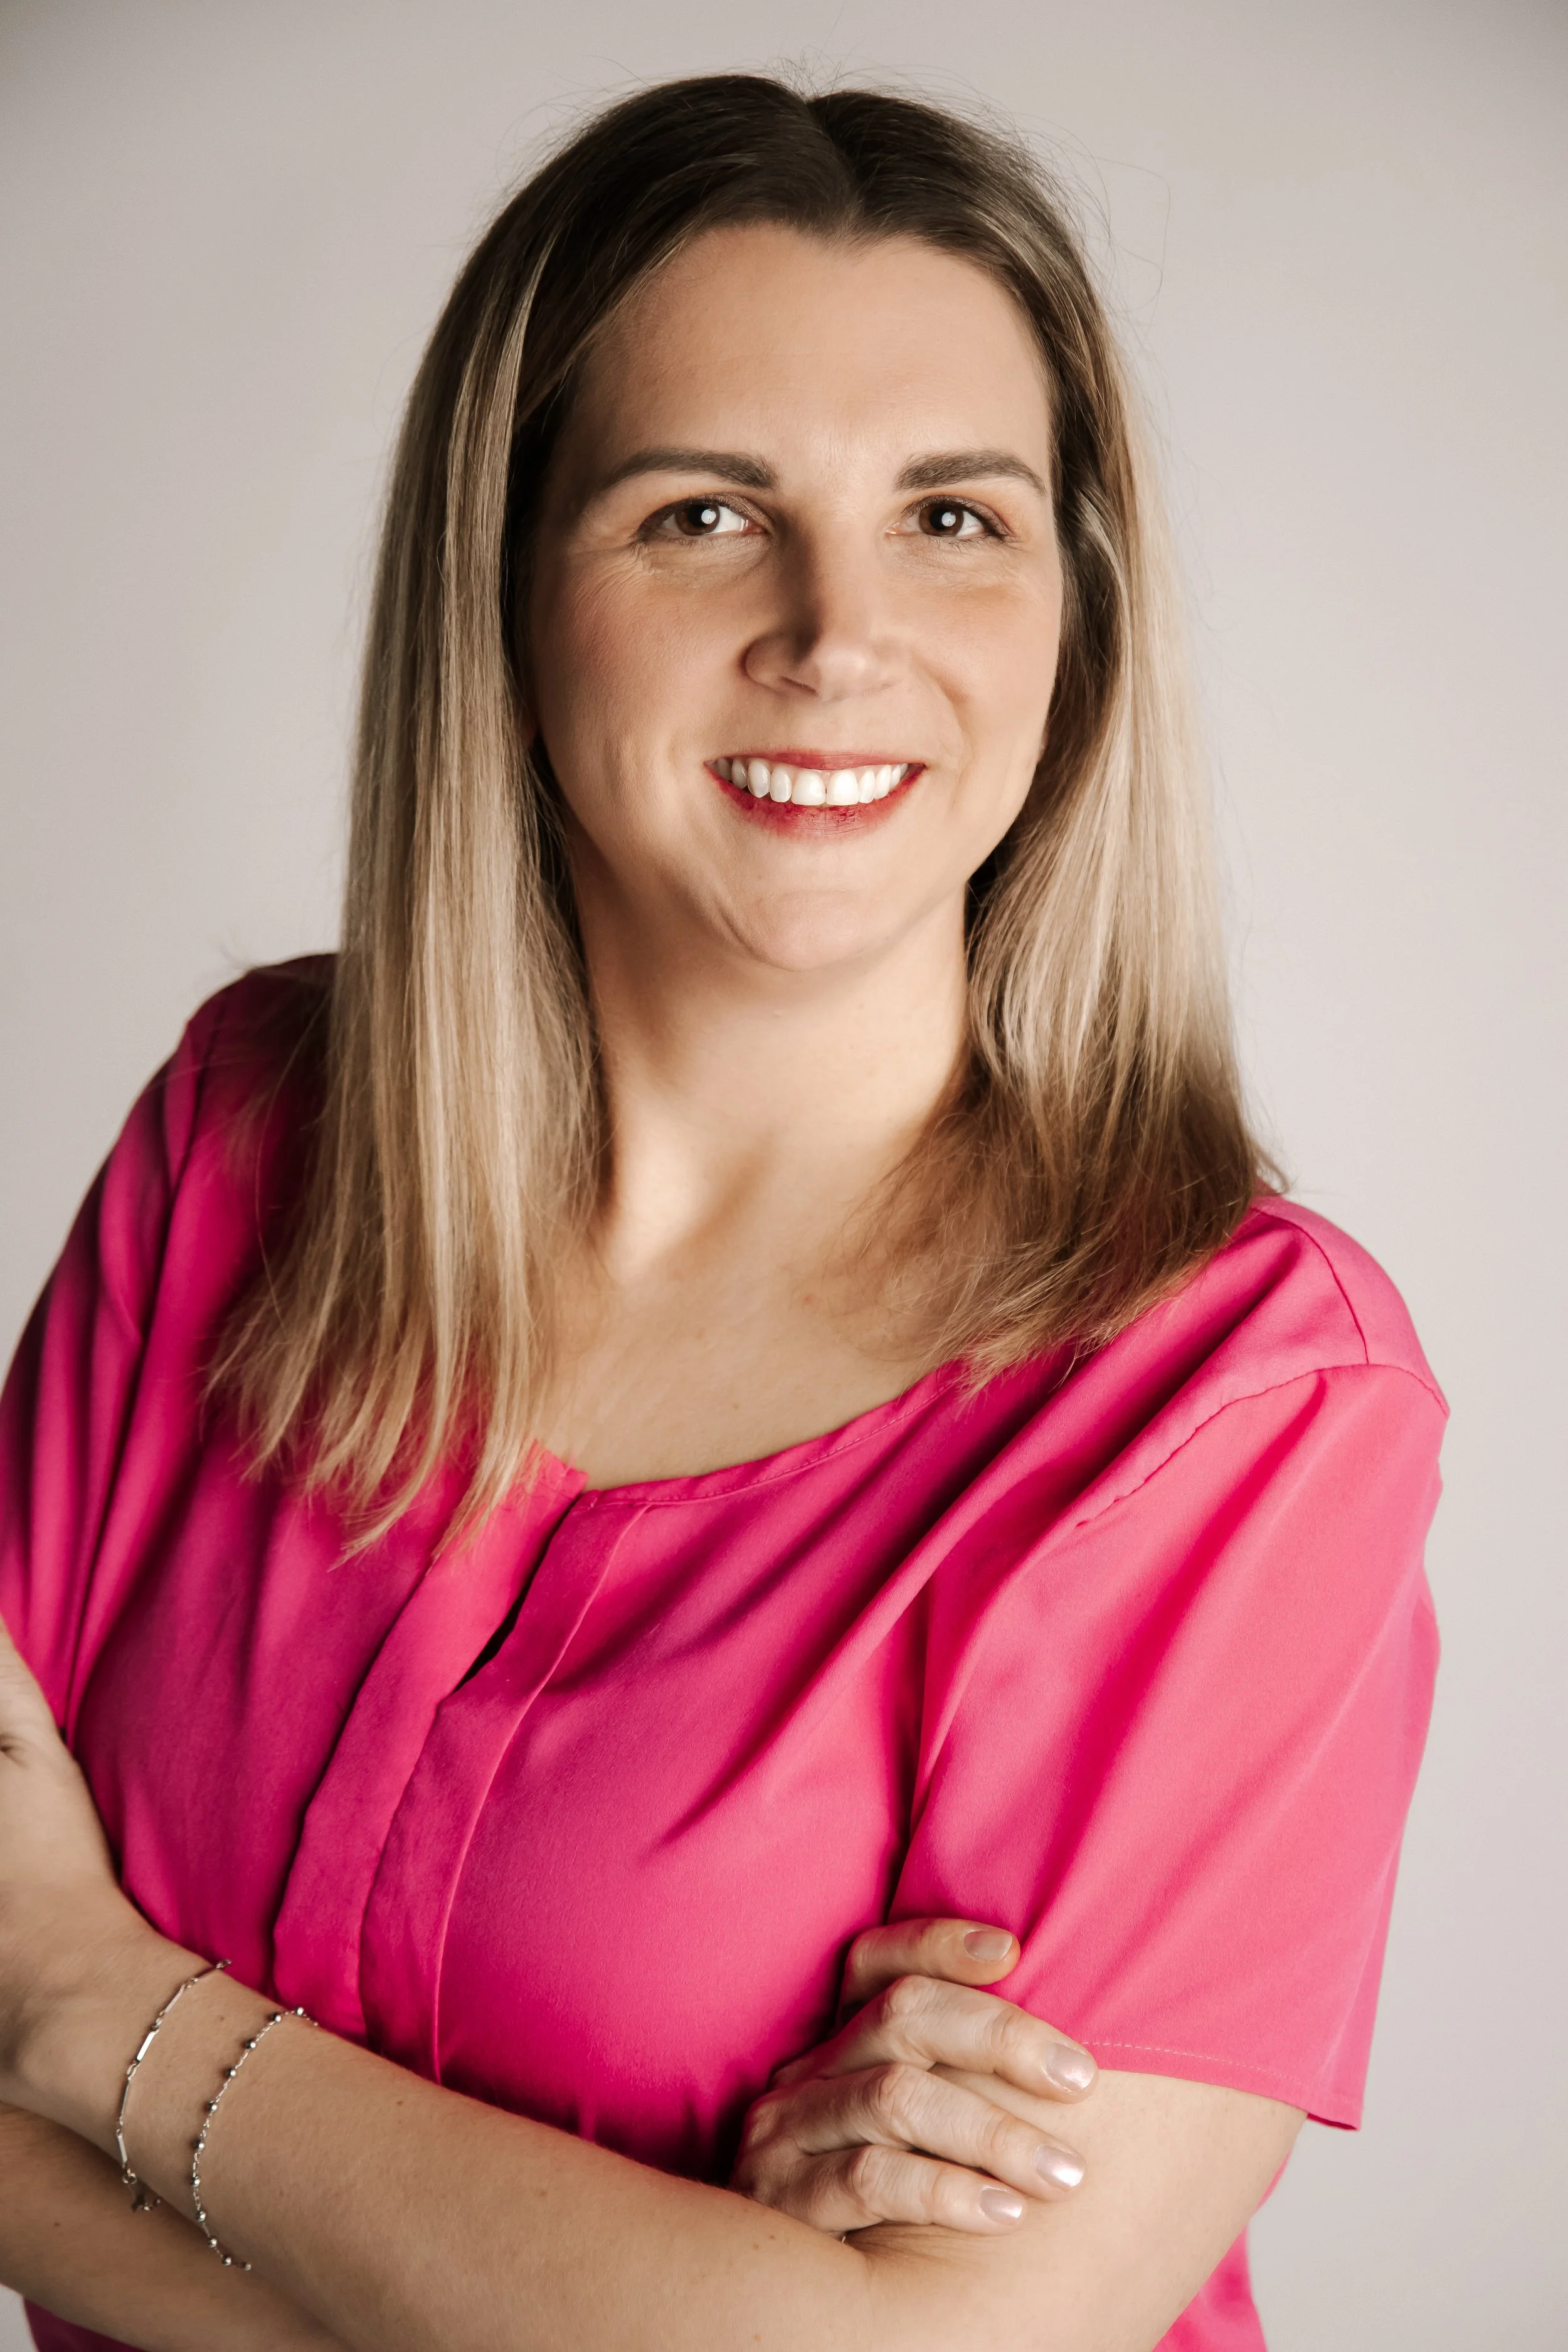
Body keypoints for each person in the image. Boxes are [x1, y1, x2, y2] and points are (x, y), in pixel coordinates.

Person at [0, 73, 1444, 2352]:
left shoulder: (1240, 1398)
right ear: (507, 583)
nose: (836, 630)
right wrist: (660, 2281)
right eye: (699, 514)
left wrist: (86, 2007)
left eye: (955, 516)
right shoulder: (237, 1142)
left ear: (1075, 608)